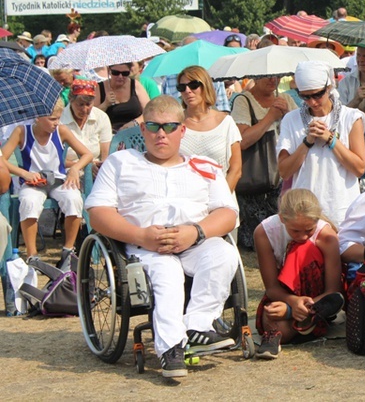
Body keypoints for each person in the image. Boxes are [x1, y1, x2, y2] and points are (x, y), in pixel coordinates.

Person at [85, 95, 241, 378]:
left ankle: (197, 326)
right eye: (153, 126)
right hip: (143, 246)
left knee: (224, 254)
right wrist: (141, 235)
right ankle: (171, 348)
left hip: (194, 240)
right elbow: (97, 212)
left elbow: (227, 213)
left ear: (182, 131)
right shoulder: (120, 163)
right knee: (167, 272)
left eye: (169, 127)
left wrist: (196, 232)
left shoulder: (204, 166)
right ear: (142, 129)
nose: (161, 134)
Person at [253, 188, 344, 360]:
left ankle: (300, 319)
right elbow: (271, 288)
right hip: (284, 295)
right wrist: (292, 302)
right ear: (281, 219)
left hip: (317, 297)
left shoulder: (327, 237)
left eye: (309, 230)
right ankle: (301, 324)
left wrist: (290, 310)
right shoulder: (263, 232)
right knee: (273, 318)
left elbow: (333, 292)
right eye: (295, 231)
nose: (302, 236)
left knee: (303, 249)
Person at [1, 99, 93, 267]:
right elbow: (2, 159)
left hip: (58, 180)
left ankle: (68, 249)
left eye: (58, 118)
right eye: (52, 119)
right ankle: (32, 254)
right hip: (33, 182)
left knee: (74, 198)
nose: (56, 123)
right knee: (29, 201)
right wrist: (24, 173)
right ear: (37, 118)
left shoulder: (61, 131)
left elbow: (87, 154)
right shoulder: (22, 131)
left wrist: (74, 169)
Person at [277, 61, 365, 227]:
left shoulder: (352, 117)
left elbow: (359, 168)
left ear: (329, 87)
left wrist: (331, 139)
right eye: (305, 96)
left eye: (317, 95)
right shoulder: (291, 119)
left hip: (341, 207)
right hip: (303, 211)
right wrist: (307, 142)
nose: (312, 102)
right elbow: (284, 171)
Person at [231, 75, 297, 249]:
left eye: (276, 76)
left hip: (284, 171)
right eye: (266, 76)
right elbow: (242, 141)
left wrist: (289, 115)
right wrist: (270, 117)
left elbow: (302, 131)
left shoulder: (286, 98)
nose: (273, 80)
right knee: (259, 239)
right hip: (256, 177)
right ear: (255, 76)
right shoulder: (243, 100)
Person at [176, 66, 242, 191]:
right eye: (182, 87)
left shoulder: (226, 122)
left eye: (194, 85)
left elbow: (236, 170)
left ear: (205, 86)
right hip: (184, 198)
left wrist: (221, 200)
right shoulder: (175, 123)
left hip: (221, 199)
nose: (187, 91)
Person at [61, 79, 113, 176]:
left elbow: (106, 155)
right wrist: (84, 166)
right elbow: (56, 159)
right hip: (68, 170)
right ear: (71, 101)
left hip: (96, 170)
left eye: (88, 105)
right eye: (80, 105)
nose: (84, 110)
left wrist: (101, 167)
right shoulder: (60, 120)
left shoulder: (101, 117)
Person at [94, 63, 150, 132]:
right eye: (116, 73)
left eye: (125, 73)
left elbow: (149, 111)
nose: (120, 76)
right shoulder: (99, 88)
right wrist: (105, 104)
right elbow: (92, 116)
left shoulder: (135, 85)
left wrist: (134, 122)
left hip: (134, 132)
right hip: (109, 133)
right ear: (109, 71)